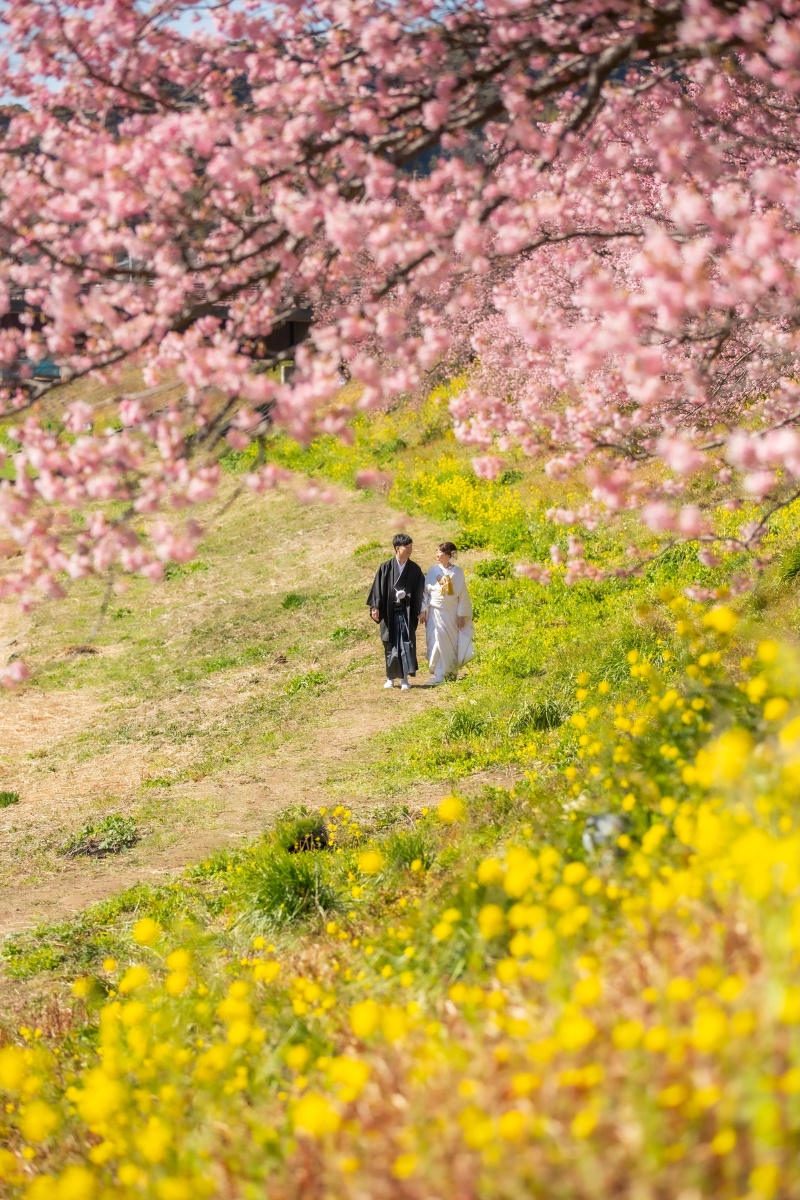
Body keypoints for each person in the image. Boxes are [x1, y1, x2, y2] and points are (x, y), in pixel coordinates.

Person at [367, 533, 426, 691]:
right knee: (390, 644)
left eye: (411, 547)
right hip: (389, 612)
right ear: (397, 548)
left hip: (406, 612)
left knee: (406, 643)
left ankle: (404, 678)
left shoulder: (414, 569)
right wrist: (375, 607)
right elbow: (377, 590)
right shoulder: (385, 567)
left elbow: (420, 591)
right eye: (407, 547)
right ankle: (390, 678)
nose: (410, 550)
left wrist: (421, 609)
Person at [421, 541, 474, 686]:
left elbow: (462, 595)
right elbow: (425, 592)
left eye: (440, 552)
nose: (437, 555)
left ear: (448, 555)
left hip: (450, 612)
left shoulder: (457, 572)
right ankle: (439, 673)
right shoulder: (433, 570)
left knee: (449, 642)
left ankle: (450, 672)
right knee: (435, 640)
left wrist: (462, 615)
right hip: (434, 611)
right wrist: (423, 610)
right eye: (437, 552)